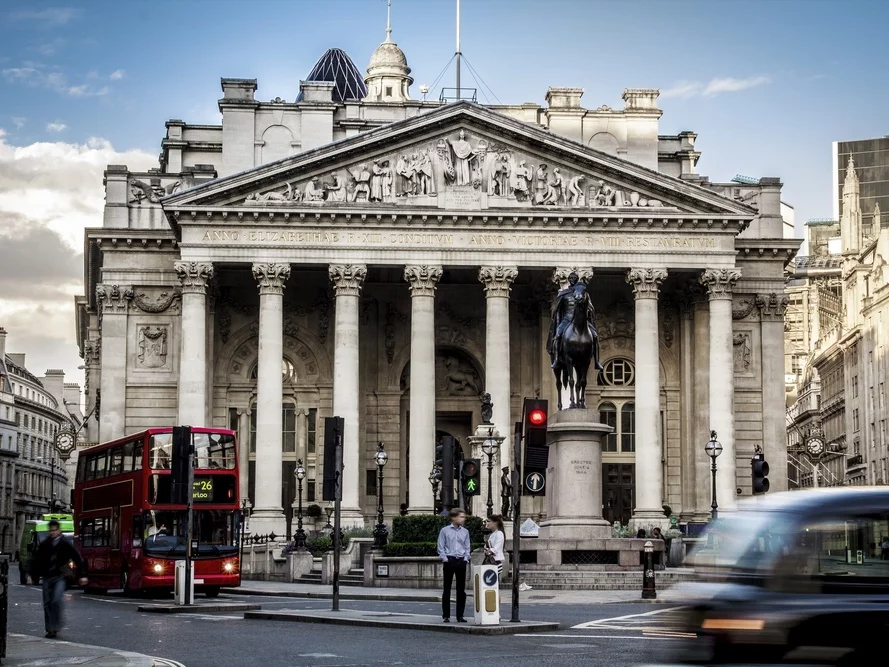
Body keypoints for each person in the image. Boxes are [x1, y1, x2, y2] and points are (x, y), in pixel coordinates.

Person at [33, 519, 87, 638]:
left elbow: (77, 558)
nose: (52, 533)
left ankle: (55, 626)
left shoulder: (65, 543)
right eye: (51, 530)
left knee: (56, 600)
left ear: (59, 530)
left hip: (60, 576)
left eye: (54, 530)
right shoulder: (45, 544)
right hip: (47, 576)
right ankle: (50, 629)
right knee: (47, 603)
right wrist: (34, 575)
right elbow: (37, 560)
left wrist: (82, 575)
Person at [437, 508, 471, 623]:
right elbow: (440, 547)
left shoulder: (465, 532)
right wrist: (445, 559)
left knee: (461, 590)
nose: (463, 519)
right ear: (453, 517)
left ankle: (460, 616)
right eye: (461, 517)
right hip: (450, 560)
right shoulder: (444, 531)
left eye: (463, 517)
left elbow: (467, 547)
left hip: (461, 561)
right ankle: (446, 615)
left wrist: (466, 559)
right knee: (447, 589)